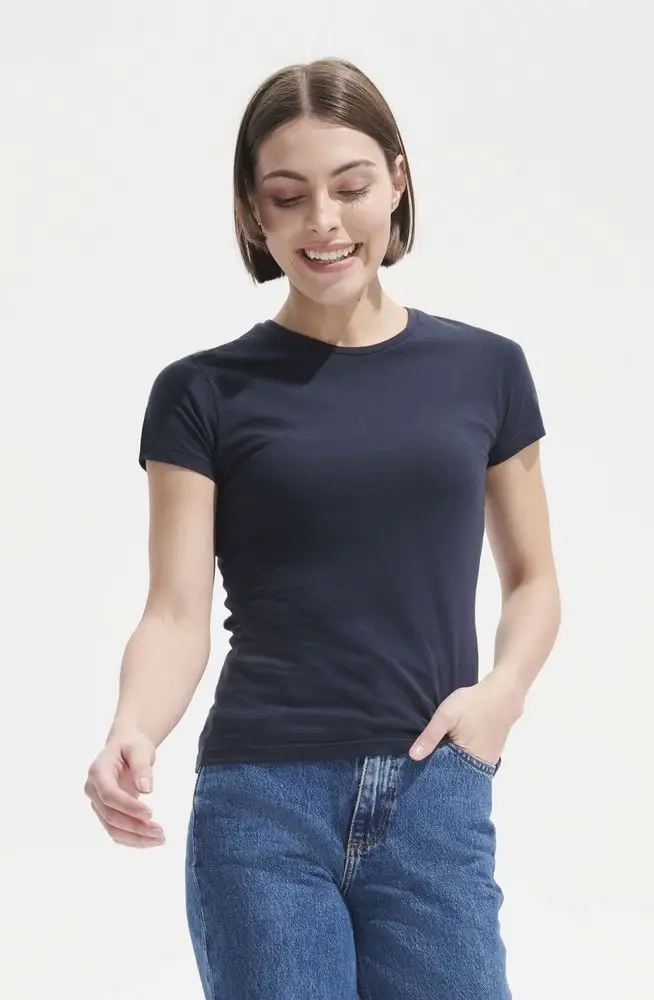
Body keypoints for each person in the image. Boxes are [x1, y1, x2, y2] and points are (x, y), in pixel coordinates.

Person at [84, 57, 561, 1000]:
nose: (324, 222)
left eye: (349, 187)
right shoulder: (201, 393)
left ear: (397, 180)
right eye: (288, 196)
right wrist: (131, 727)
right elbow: (175, 612)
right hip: (262, 808)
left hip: (434, 794)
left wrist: (501, 696)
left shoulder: (486, 370)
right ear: (252, 212)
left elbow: (533, 579)